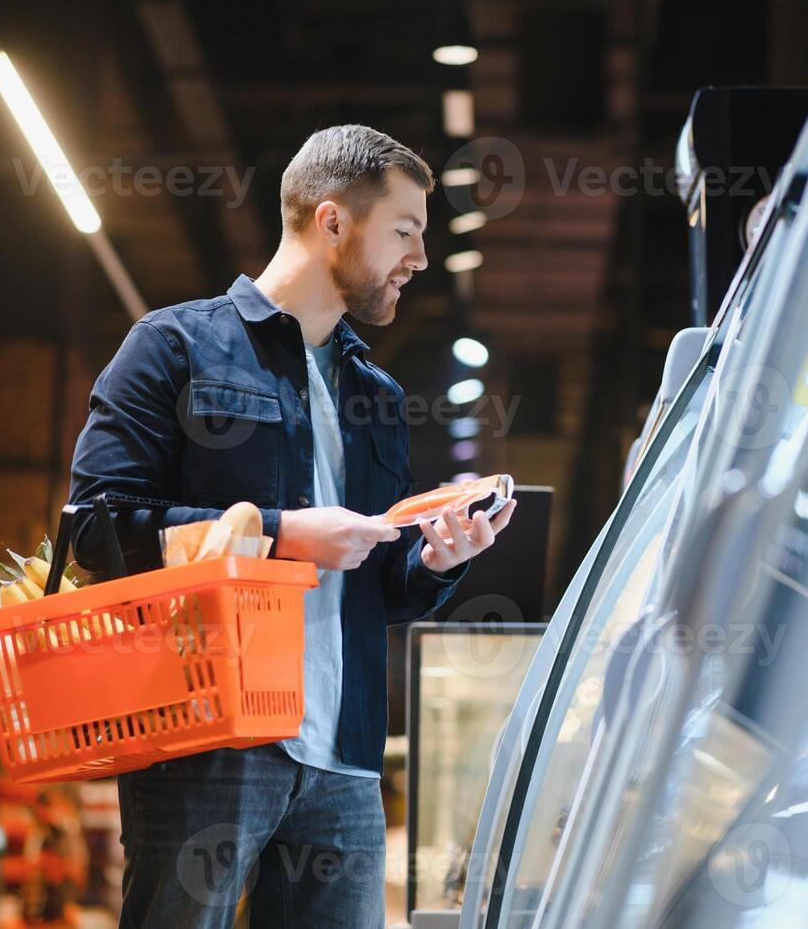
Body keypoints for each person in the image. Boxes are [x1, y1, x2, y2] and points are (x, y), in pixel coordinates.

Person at [67, 124, 516, 928]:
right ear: (333, 220)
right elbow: (97, 527)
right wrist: (279, 534)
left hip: (343, 760)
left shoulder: (375, 392)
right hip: (207, 741)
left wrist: (438, 562)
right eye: (405, 231)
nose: (417, 259)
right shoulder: (173, 347)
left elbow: (382, 591)